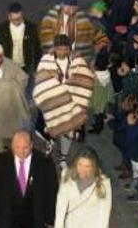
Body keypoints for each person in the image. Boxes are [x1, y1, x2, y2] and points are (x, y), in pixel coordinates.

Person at [33, 34, 95, 166]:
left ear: (69, 49)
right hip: (53, 104)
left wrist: (72, 83)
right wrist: (51, 78)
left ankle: (63, 157)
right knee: (52, 129)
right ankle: (49, 148)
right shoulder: (46, 61)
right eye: (59, 49)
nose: (62, 52)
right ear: (54, 48)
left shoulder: (77, 60)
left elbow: (85, 78)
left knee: (68, 131)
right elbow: (40, 80)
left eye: (65, 49)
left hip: (71, 104)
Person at [39, 0, 108, 64]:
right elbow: (44, 45)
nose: (71, 14)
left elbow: (102, 38)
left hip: (80, 65)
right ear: (62, 8)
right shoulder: (49, 23)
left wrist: (98, 51)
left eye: (73, 13)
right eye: (67, 12)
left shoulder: (85, 23)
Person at [0, 2, 42, 75]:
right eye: (14, 19)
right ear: (9, 17)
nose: (17, 22)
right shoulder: (1, 28)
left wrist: (37, 68)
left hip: (26, 68)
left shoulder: (31, 28)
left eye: (19, 19)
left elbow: (37, 49)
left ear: (22, 15)